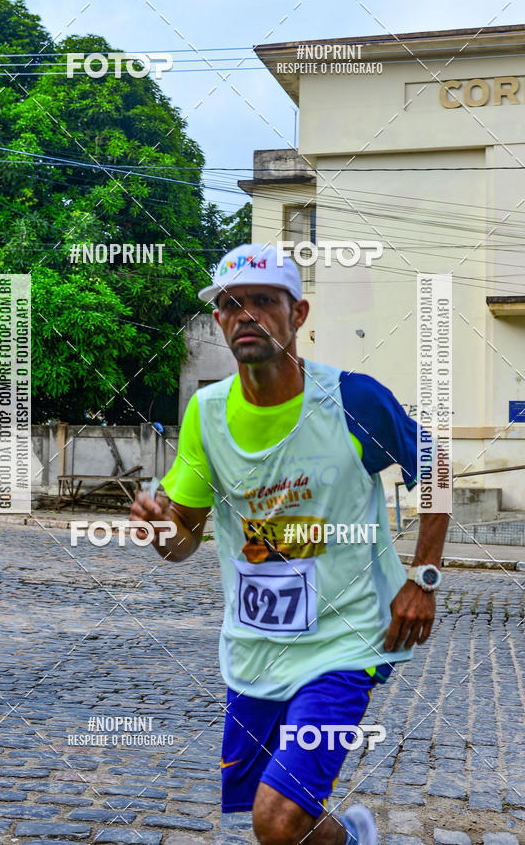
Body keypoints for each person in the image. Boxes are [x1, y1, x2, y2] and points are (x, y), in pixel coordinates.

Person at [131, 243, 449, 845]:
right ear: (219, 321)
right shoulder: (207, 413)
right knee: (283, 820)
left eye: (262, 301)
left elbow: (437, 469)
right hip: (256, 649)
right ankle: (354, 838)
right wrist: (160, 529)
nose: (245, 315)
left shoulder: (353, 400)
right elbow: (185, 540)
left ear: (296, 315)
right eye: (230, 305)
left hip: (344, 642)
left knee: (275, 820)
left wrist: (422, 578)